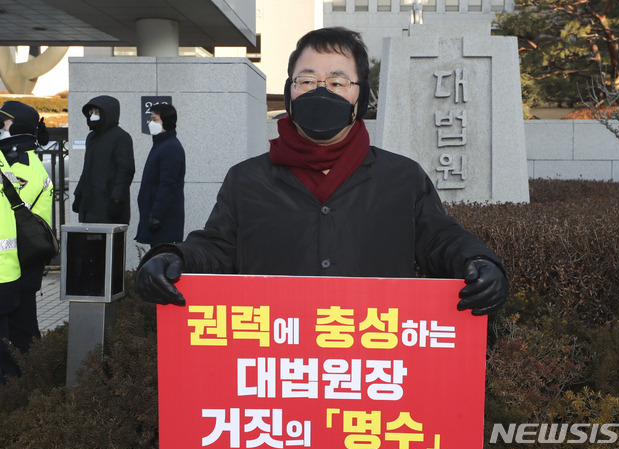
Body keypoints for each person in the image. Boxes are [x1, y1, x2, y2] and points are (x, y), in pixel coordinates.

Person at [135, 27, 508, 315]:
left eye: (337, 82)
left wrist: (479, 263)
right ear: (290, 90)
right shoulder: (246, 179)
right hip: (276, 357)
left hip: (372, 352)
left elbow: (438, 240)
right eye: (308, 80)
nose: (320, 92)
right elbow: (218, 248)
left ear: (360, 96)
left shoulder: (403, 178)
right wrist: (174, 258)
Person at [0, 101, 52, 383]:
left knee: (19, 335)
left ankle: (25, 386)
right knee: (21, 331)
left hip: (18, 263)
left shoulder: (21, 165)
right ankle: (30, 382)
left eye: (2, 124)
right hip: (23, 261)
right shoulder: (22, 161)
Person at [73, 95, 135, 224]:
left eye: (97, 112)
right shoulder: (91, 137)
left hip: (108, 205)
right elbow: (86, 170)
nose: (93, 115)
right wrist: (78, 195)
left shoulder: (121, 137)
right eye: (91, 112)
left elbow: (125, 171)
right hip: (89, 204)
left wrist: (116, 200)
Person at [135, 103, 186, 246]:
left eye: (155, 119)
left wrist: (156, 215)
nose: (151, 123)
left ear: (166, 121)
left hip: (164, 222)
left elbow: (167, 185)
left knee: (163, 260)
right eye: (151, 119)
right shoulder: (161, 145)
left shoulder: (170, 147)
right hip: (157, 219)